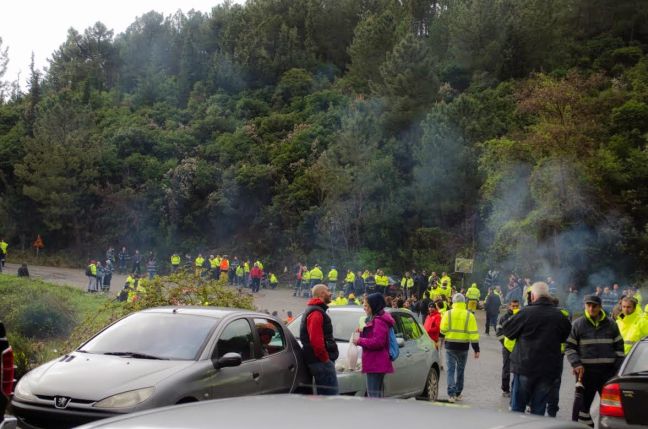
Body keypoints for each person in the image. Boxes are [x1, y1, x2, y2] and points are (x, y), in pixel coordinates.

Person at [500, 282, 571, 416]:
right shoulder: (560, 316)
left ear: (532, 296)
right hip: (548, 370)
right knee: (539, 410)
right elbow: (565, 336)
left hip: (524, 367)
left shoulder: (525, 313)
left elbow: (508, 331)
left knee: (517, 410)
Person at [565, 295, 624, 427]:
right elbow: (569, 347)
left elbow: (620, 349)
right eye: (588, 305)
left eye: (594, 305)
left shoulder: (611, 324)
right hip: (585, 374)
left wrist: (617, 369)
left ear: (600, 306)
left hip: (608, 374)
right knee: (583, 409)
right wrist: (576, 363)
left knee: (612, 408)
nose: (591, 308)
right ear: (585, 306)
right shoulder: (577, 324)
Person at [352, 293, 395, 397]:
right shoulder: (377, 319)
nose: (364, 308)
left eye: (366, 305)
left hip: (376, 363)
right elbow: (374, 336)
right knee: (376, 396)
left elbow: (378, 342)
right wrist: (362, 333)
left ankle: (375, 413)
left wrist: (359, 340)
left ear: (374, 306)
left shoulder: (379, 321)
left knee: (373, 397)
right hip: (376, 362)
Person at [440, 293, 480, 403]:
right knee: (461, 370)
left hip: (450, 346)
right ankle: (458, 393)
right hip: (463, 347)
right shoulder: (469, 315)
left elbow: (442, 330)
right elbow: (473, 334)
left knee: (450, 371)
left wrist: (441, 341)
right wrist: (476, 349)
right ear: (464, 302)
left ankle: (451, 395)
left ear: (453, 302)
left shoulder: (447, 314)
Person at [300, 284, 339, 395]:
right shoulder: (316, 313)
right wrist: (325, 360)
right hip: (320, 362)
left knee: (324, 397)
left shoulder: (316, 311)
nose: (330, 293)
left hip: (319, 361)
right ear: (322, 294)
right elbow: (316, 342)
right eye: (328, 291)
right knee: (331, 397)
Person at [496, 299, 520, 397]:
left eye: (516, 306)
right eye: (513, 306)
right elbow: (499, 333)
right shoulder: (503, 317)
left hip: (518, 347)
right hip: (507, 347)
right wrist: (504, 343)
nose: (515, 308)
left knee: (518, 369)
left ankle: (516, 389)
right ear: (509, 306)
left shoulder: (521, 316)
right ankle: (505, 389)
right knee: (506, 368)